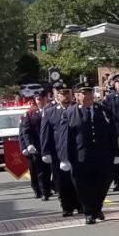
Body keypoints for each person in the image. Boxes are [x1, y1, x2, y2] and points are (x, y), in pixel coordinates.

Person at [60, 83, 119, 224]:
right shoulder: (69, 113)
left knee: (103, 183)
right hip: (80, 157)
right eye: (84, 94)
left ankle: (97, 207)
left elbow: (113, 132)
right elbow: (64, 137)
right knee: (83, 185)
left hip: (103, 155)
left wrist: (117, 152)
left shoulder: (103, 111)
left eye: (90, 93)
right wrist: (65, 158)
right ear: (77, 96)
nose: (88, 96)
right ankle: (89, 212)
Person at [40, 83, 82, 217]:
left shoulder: (78, 109)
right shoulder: (50, 112)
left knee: (79, 180)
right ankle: (67, 207)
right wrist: (46, 151)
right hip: (58, 153)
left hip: (77, 151)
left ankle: (81, 205)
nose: (65, 96)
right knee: (62, 182)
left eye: (67, 93)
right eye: (62, 94)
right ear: (57, 96)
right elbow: (45, 133)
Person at [19, 88, 54, 201]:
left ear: (46, 99)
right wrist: (28, 145)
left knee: (50, 170)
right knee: (39, 171)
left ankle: (49, 188)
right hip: (37, 147)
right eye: (37, 99)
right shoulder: (30, 114)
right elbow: (25, 131)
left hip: (50, 145)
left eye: (41, 99)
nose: (39, 101)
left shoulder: (52, 111)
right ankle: (43, 191)